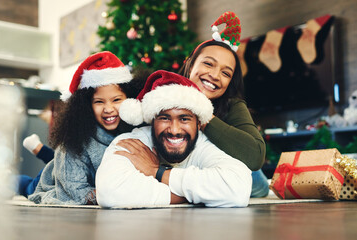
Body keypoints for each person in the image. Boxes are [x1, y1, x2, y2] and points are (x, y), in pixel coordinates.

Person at [96, 70, 252, 208]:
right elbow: (109, 193)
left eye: (184, 119)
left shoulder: (205, 143)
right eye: (165, 118)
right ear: (152, 122)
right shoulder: (132, 142)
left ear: (198, 124)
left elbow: (238, 190)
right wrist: (194, 197)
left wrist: (158, 172)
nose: (174, 130)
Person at [25, 51, 145, 205]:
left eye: (116, 100)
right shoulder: (76, 139)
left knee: (53, 159)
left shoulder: (137, 131)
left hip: (68, 168)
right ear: (86, 106)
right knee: (26, 186)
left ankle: (38, 148)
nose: (108, 109)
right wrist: (115, 195)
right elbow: (76, 190)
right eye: (99, 102)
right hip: (56, 179)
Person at [178, 11, 269, 197]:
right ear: (189, 64)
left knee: (260, 185)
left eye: (226, 73)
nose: (215, 75)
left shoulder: (232, 105)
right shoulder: (163, 95)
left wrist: (205, 117)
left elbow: (255, 156)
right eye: (208, 64)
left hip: (242, 177)